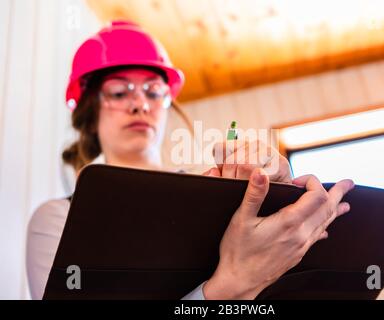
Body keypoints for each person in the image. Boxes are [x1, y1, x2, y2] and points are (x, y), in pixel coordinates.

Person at [26, 21, 354, 300]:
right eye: (119, 91)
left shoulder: (219, 191)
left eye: (153, 91)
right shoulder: (59, 220)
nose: (140, 104)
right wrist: (231, 285)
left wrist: (277, 199)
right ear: (89, 110)